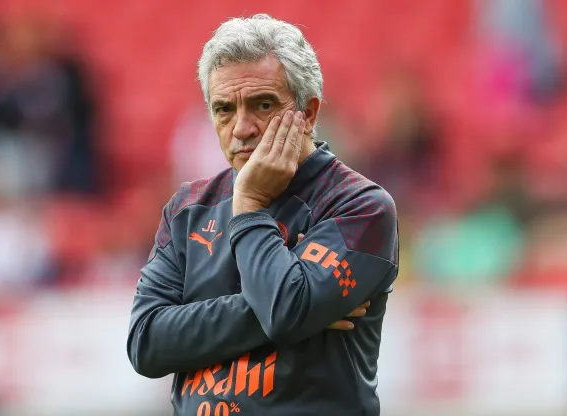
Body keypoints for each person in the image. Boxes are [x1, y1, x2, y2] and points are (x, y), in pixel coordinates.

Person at [127, 14, 399, 415]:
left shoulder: (360, 205)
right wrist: (295, 306)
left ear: (308, 113)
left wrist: (250, 205)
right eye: (223, 109)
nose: (241, 128)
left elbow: (286, 313)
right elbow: (146, 343)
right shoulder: (187, 210)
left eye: (263, 105)